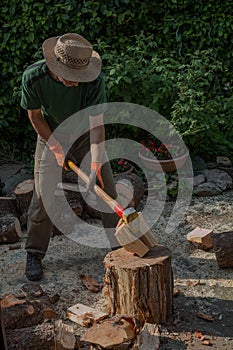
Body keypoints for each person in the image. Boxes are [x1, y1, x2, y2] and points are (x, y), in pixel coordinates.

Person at [20, 33, 119, 281]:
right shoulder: (33, 77)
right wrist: (55, 147)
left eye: (80, 78)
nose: (77, 83)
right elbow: (35, 118)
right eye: (72, 79)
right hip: (51, 135)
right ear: (57, 66)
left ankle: (119, 248)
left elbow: (97, 124)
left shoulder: (94, 80)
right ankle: (34, 253)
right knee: (43, 196)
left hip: (86, 136)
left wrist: (95, 157)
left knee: (107, 188)